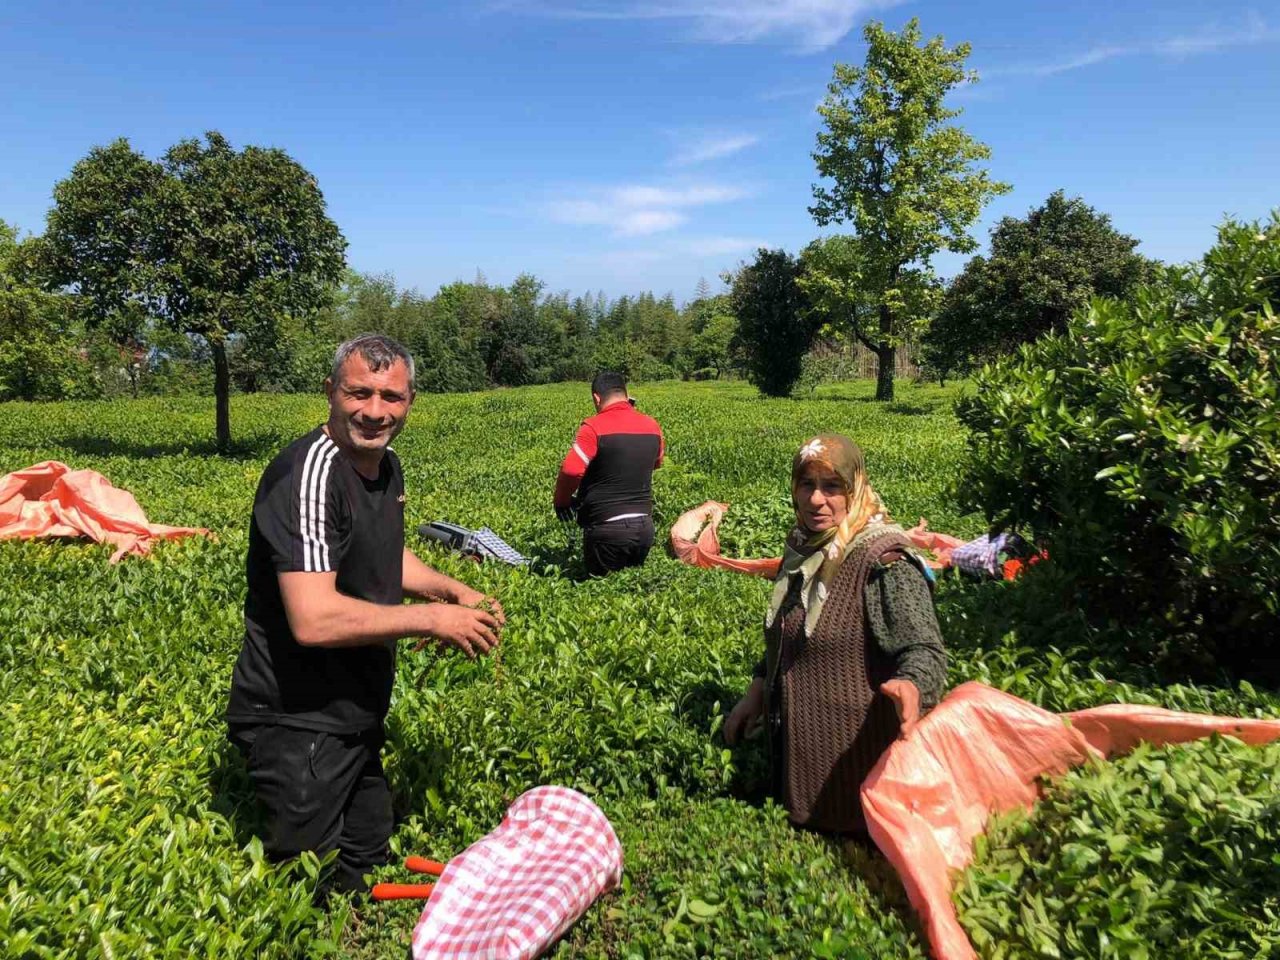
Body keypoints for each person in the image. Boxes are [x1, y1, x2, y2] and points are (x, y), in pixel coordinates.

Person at [224, 333, 505, 894]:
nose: (375, 412)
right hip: (295, 714)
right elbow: (313, 618)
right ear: (330, 391)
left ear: (410, 401)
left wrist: (452, 591)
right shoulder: (308, 475)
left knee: (367, 858)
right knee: (306, 886)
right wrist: (430, 620)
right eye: (359, 393)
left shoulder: (385, 464)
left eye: (391, 397)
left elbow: (383, 553)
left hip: (355, 704)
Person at [723, 434, 946, 835]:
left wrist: (913, 685)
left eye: (832, 487)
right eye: (806, 484)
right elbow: (790, 633)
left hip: (856, 797)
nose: (816, 500)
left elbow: (923, 648)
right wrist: (757, 690)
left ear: (854, 489)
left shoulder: (885, 560)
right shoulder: (804, 547)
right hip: (795, 787)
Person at [552, 371, 665, 576]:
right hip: (644, 529)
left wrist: (562, 502)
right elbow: (656, 463)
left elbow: (571, 470)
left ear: (597, 398)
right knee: (632, 588)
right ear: (626, 394)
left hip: (607, 530)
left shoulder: (594, 427)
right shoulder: (652, 426)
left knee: (599, 590)